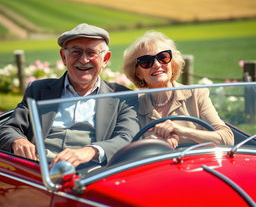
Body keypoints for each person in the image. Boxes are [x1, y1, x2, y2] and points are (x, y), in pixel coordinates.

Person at [0, 23, 139, 169]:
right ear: (63, 57)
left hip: (90, 175)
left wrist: (91, 151)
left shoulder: (123, 96)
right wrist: (18, 140)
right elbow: (8, 127)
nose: (84, 60)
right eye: (76, 52)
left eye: (91, 53)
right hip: (39, 172)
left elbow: (127, 137)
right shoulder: (39, 90)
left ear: (105, 59)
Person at [123, 30, 234, 148]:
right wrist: (150, 143)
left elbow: (227, 139)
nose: (156, 64)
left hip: (197, 164)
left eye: (163, 57)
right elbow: (125, 148)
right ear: (138, 73)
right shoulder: (134, 106)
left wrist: (182, 131)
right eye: (146, 61)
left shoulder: (196, 94)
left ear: (173, 64)